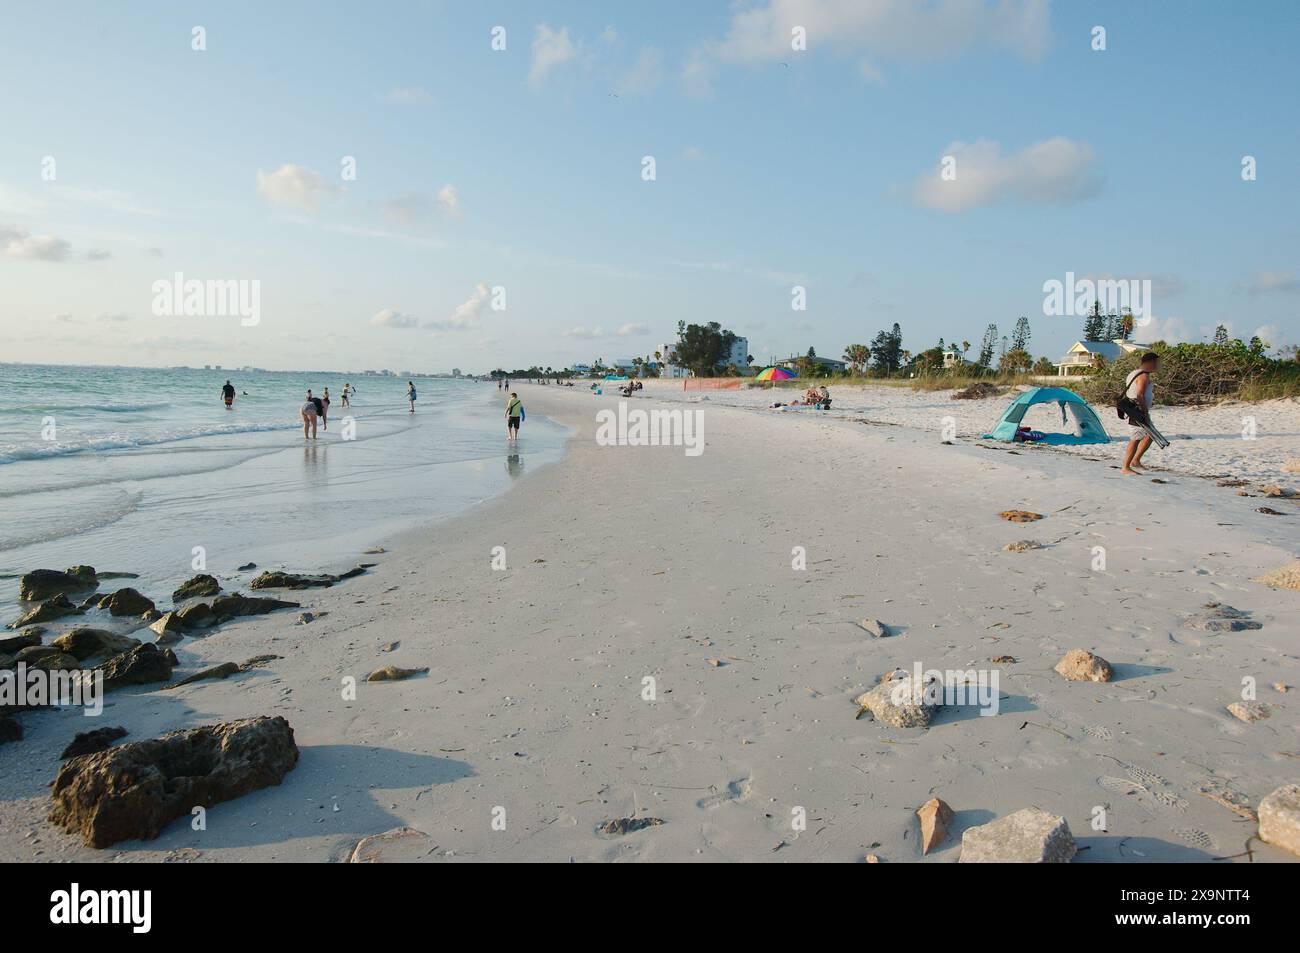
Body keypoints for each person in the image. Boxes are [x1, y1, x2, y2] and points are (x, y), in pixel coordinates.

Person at [1121, 352, 1159, 474]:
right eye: (1156, 362)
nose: (1157, 365)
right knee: (1136, 438)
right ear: (1150, 362)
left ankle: (1135, 460)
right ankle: (1126, 467)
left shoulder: (1135, 373)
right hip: (1137, 410)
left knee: (1151, 435)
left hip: (1134, 408)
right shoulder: (1143, 376)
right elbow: (1140, 394)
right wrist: (1145, 412)